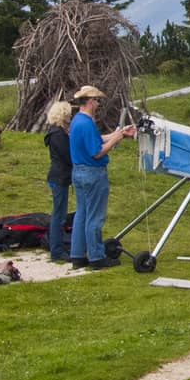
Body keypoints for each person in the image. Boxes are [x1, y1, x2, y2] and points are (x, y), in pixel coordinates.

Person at [68, 85, 137, 270]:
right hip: (93, 173)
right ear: (90, 101)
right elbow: (97, 152)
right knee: (95, 217)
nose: (98, 104)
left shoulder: (77, 121)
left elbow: (96, 139)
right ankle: (97, 257)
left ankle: (77, 255)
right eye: (97, 101)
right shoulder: (87, 122)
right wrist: (116, 140)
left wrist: (118, 133)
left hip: (78, 172)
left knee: (81, 214)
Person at [42, 101, 74, 262]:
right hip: (59, 177)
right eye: (68, 114)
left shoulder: (56, 133)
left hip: (58, 176)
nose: (70, 117)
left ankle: (58, 247)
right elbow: (67, 156)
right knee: (59, 215)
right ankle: (57, 250)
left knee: (59, 213)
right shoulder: (58, 135)